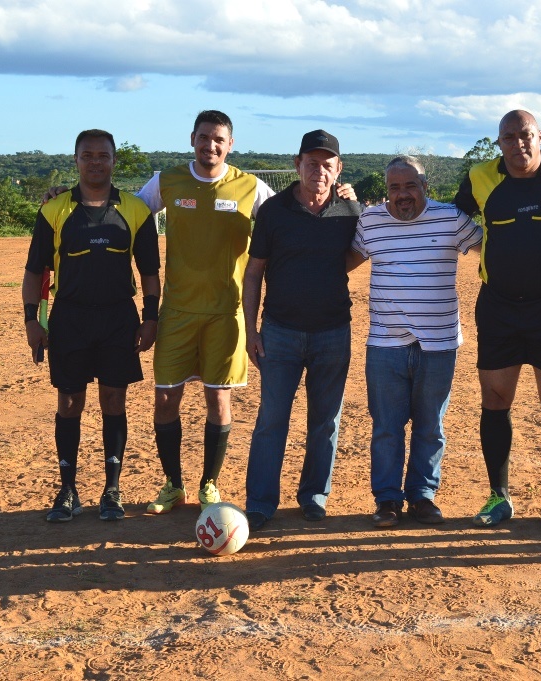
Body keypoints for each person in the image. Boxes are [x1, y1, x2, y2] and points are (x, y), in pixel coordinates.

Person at [454, 110, 541, 532]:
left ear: (540, 137)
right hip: (498, 304)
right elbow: (447, 214)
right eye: (510, 137)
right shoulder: (479, 178)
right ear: (499, 143)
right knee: (495, 399)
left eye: (527, 135)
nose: (519, 143)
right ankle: (499, 496)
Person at [137, 110, 277, 514]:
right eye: (203, 137)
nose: (210, 145)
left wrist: (341, 198)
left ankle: (209, 485)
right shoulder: (167, 181)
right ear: (192, 139)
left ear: (230, 145)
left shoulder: (250, 187)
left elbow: (287, 218)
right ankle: (173, 484)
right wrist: (69, 195)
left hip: (227, 312)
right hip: (177, 311)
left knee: (219, 400)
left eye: (218, 139)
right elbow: (127, 214)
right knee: (166, 400)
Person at [22, 129, 160, 522]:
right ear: (76, 160)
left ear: (114, 161)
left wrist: (150, 318)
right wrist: (33, 321)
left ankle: (111, 490)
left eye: (103, 155)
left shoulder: (136, 210)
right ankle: (67, 491)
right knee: (69, 403)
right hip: (70, 318)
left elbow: (149, 273)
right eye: (88, 155)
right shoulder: (54, 211)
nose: (96, 161)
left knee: (114, 401)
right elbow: (35, 272)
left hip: (119, 318)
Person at [349, 156, 483, 527]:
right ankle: (388, 500)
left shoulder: (451, 219)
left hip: (438, 344)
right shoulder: (371, 220)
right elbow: (344, 261)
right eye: (395, 187)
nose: (402, 194)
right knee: (387, 427)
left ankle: (423, 496)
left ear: (425, 187)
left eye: (410, 186)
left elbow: (492, 251)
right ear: (387, 189)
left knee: (430, 426)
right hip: (385, 343)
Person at [242, 130, 361, 530]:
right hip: (280, 331)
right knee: (272, 418)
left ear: (338, 169)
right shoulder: (274, 211)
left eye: (328, 164)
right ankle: (260, 501)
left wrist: (326, 270)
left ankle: (313, 495)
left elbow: (358, 253)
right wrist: (251, 330)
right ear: (297, 165)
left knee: (325, 420)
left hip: (332, 331)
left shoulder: (350, 212)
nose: (319, 170)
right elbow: (254, 271)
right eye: (312, 163)